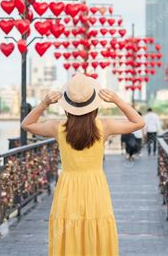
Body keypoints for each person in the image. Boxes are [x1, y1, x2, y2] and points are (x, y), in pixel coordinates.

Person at [21, 73, 145, 256]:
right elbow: (139, 122)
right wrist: (117, 100)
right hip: (95, 186)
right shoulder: (104, 126)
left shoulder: (58, 127)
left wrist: (44, 103)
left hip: (68, 187)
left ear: (67, 105)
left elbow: (27, 124)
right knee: (96, 229)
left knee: (68, 230)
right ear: (93, 104)